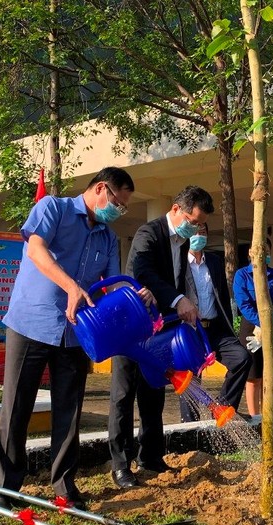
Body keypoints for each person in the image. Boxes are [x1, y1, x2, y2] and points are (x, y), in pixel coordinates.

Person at [0, 166, 151, 510]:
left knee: (69, 411)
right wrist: (71, 287)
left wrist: (137, 293)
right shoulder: (53, 208)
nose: (118, 211)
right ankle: (4, 489)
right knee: (16, 407)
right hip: (31, 323)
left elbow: (111, 286)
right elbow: (35, 250)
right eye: (118, 204)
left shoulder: (107, 237)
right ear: (102, 189)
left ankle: (64, 486)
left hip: (77, 333)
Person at [108, 186, 214, 489]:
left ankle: (151, 457)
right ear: (177, 209)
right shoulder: (148, 234)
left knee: (153, 391)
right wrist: (179, 299)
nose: (194, 228)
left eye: (199, 224)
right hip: (130, 326)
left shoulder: (181, 242)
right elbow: (144, 275)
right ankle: (121, 465)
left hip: (158, 327)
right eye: (193, 221)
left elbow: (177, 279)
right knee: (123, 394)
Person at [179, 222, 252, 421]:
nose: (199, 235)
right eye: (195, 232)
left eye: (203, 231)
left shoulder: (214, 261)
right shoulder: (178, 263)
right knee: (192, 377)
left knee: (241, 359)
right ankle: (190, 428)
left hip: (215, 330)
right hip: (189, 331)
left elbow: (221, 298)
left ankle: (222, 408)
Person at [233, 240, 273, 416]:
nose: (263, 254)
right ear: (250, 252)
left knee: (269, 377)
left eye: (266, 250)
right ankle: (255, 417)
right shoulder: (242, 275)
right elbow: (243, 304)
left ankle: (268, 415)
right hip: (251, 329)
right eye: (259, 250)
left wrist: (270, 325)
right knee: (253, 377)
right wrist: (260, 324)